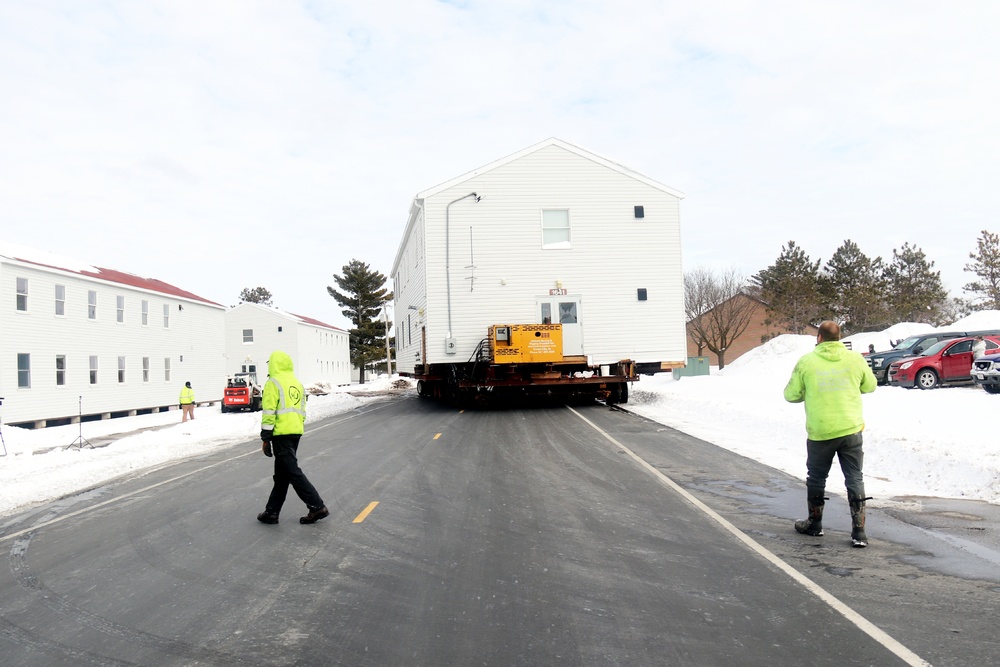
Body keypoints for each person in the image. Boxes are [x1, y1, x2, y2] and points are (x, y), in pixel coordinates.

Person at [784, 321, 877, 548]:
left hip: (821, 432)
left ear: (819, 338)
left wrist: (809, 390)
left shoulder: (807, 362)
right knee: (854, 477)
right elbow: (870, 386)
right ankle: (859, 531)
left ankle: (815, 523)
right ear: (839, 337)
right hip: (851, 429)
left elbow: (791, 395)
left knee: (817, 478)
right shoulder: (855, 359)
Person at [256, 350, 329, 526]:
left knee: (292, 472)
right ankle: (272, 512)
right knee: (282, 475)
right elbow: (302, 410)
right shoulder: (296, 383)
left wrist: (266, 437)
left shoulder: (273, 383)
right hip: (295, 431)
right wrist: (297, 425)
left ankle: (317, 506)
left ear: (274, 364)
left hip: (281, 434)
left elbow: (269, 412)